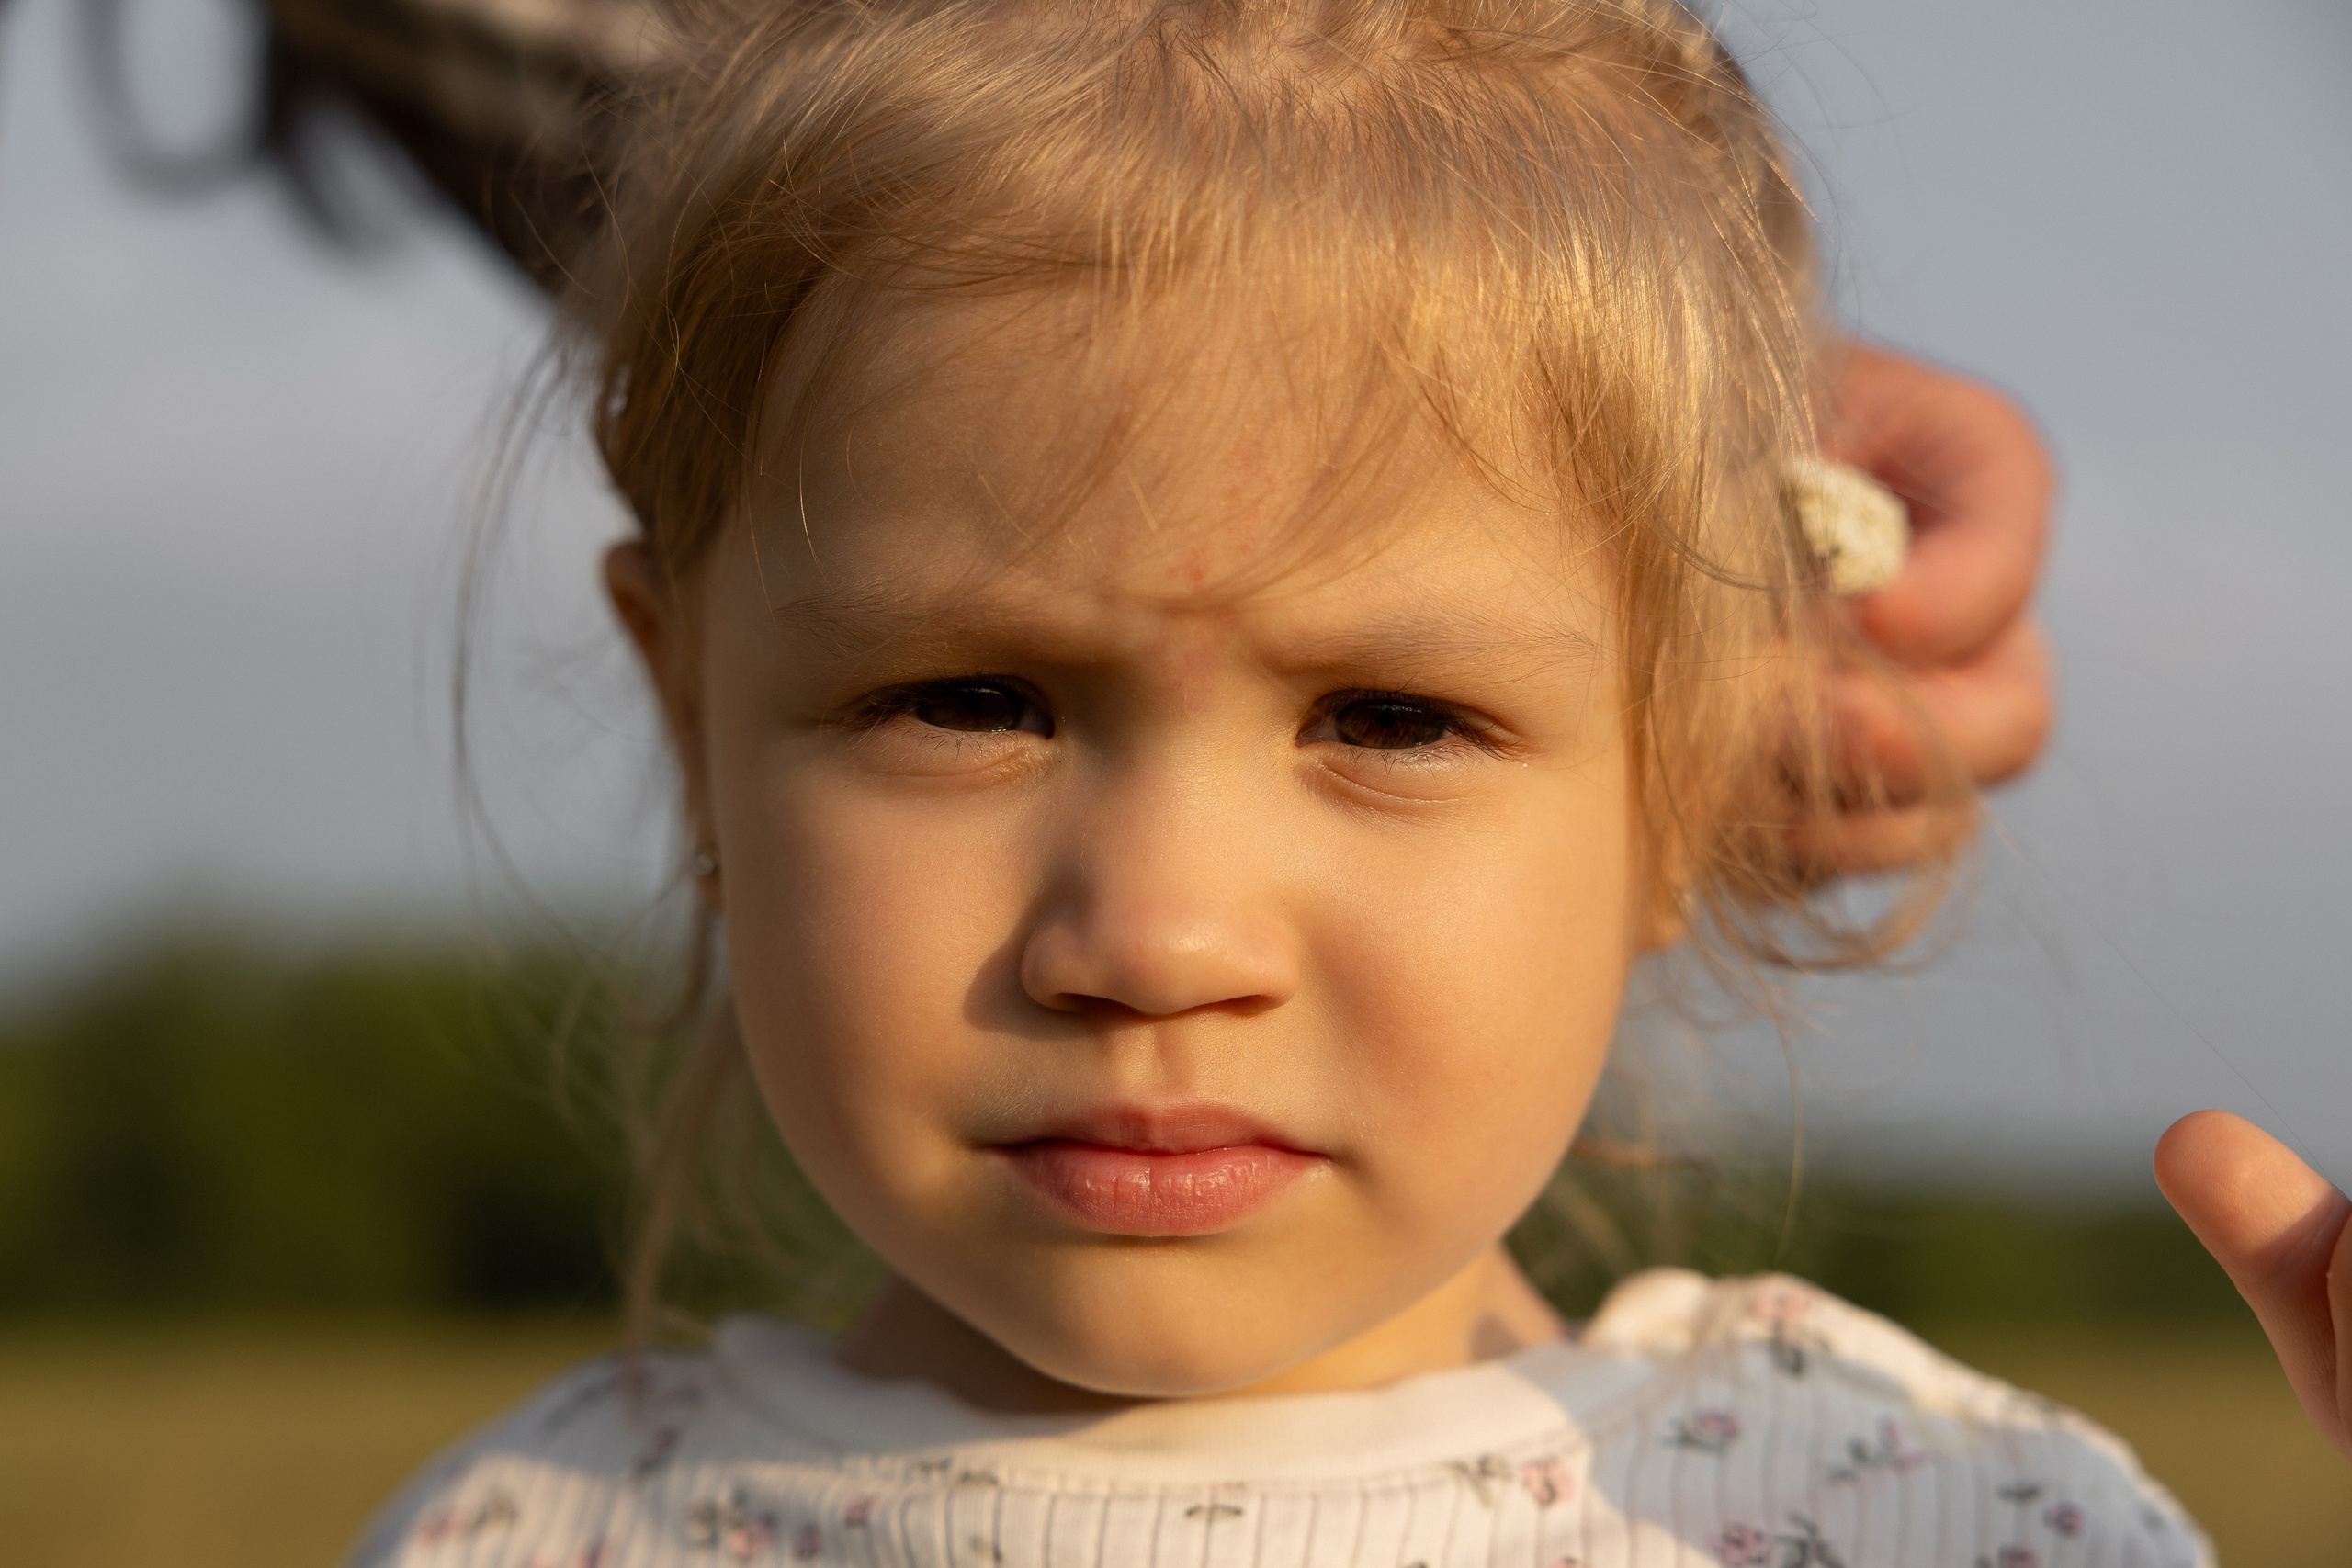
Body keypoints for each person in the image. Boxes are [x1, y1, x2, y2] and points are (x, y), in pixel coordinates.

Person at [323, 2, 2349, 1564]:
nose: (1152, 935)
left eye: (1385, 716)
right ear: (686, 715)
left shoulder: (1942, 1515)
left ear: (1688, 778)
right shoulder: (522, 1531)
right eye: (968, 696)